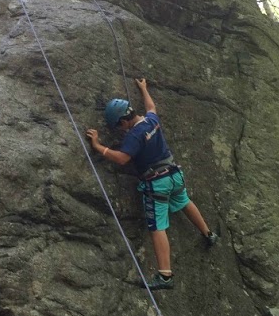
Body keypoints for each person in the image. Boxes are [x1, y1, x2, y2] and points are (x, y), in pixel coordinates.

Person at [85, 76, 217, 290]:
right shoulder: (151, 121)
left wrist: (98, 146)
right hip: (174, 174)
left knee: (157, 227)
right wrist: (144, 88)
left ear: (123, 121)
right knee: (184, 201)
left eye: (119, 127)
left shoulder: (134, 135)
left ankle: (165, 275)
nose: (120, 130)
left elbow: (122, 159)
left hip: (158, 183)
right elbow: (151, 106)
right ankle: (208, 234)